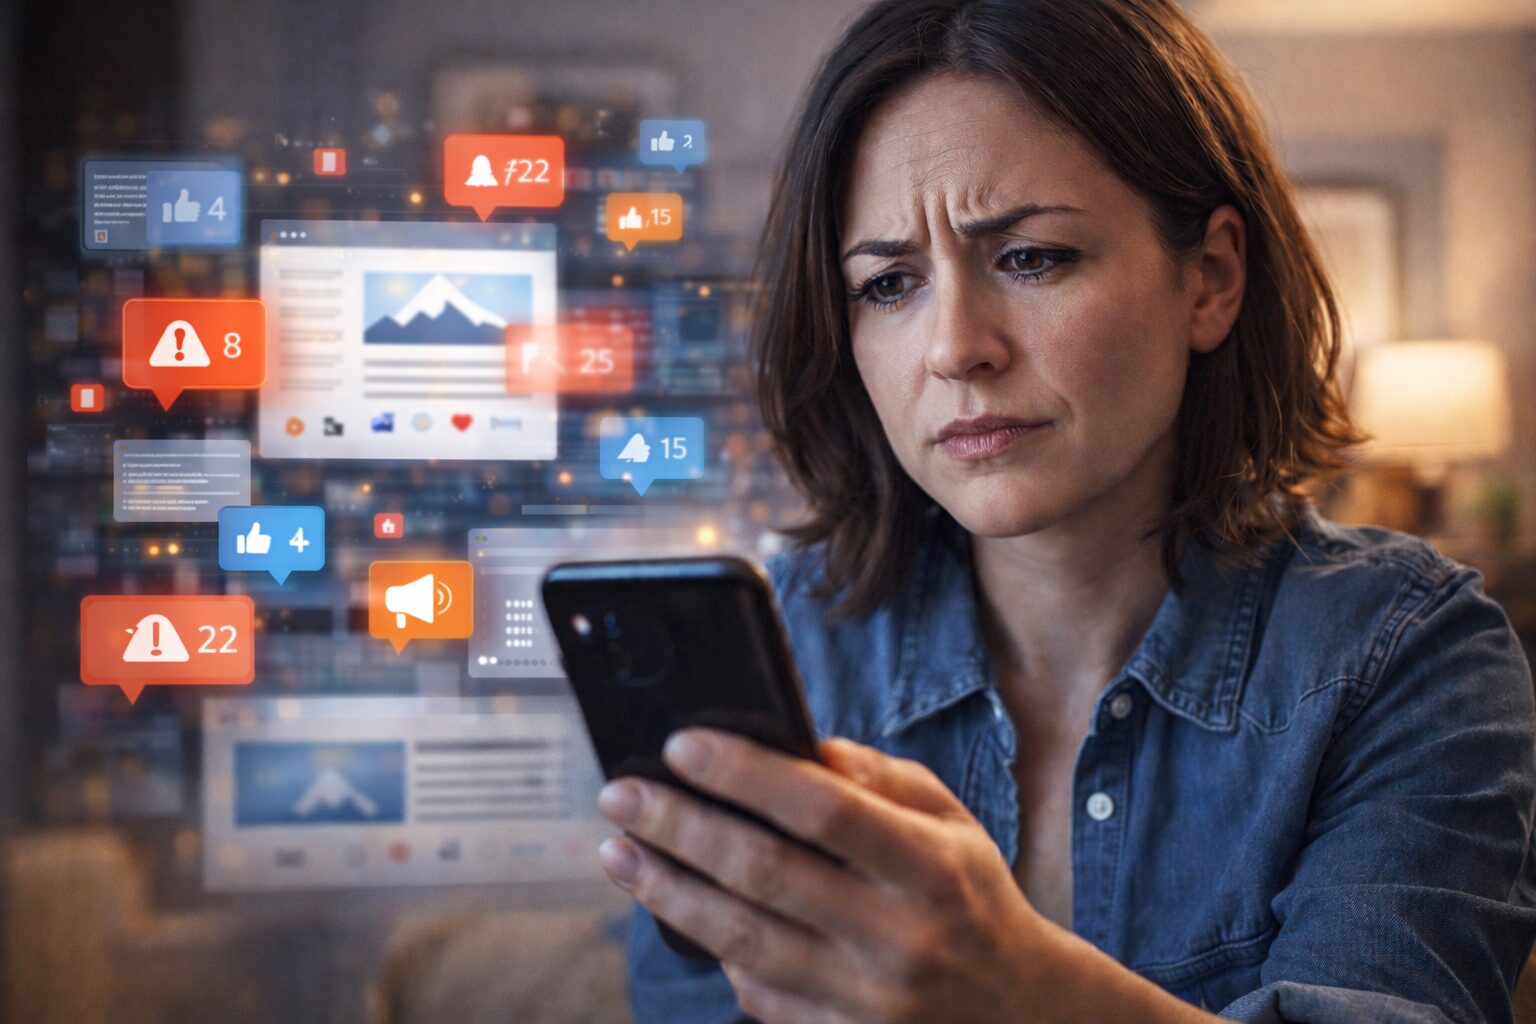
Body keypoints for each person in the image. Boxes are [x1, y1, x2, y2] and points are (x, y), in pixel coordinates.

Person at [593, 1, 1536, 1021]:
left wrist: (1019, 991)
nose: (956, 346)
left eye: (1030, 258)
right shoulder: (787, 651)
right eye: (890, 283)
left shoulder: (1407, 654)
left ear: (1210, 280)